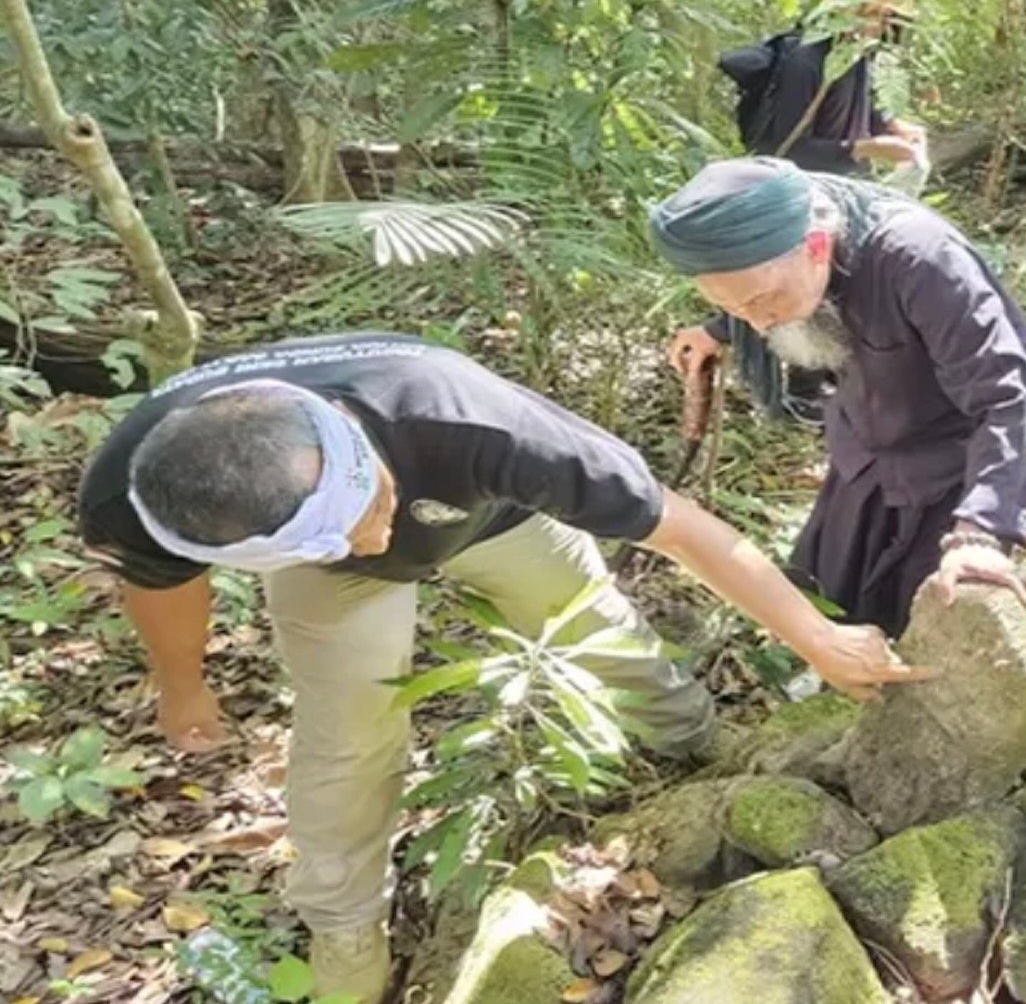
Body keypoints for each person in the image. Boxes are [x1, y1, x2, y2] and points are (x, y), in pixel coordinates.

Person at [76, 334, 926, 1001]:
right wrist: (182, 683)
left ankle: (694, 738)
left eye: (368, 507)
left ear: (360, 445)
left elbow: (681, 527)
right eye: (333, 536)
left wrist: (814, 635)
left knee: (596, 627)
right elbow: (163, 581)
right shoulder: (148, 486)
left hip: (490, 516)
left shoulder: (467, 417)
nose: (374, 538)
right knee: (349, 735)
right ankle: (345, 928)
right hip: (329, 581)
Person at [650, 157, 1026, 637]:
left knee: (924, 625)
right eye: (731, 307)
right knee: (825, 601)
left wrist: (982, 531)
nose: (757, 323)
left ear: (816, 246)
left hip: (948, 473)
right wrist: (719, 327)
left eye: (758, 303)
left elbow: (1006, 397)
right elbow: (752, 289)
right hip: (863, 454)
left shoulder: (920, 259)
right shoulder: (786, 255)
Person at [682, 0, 929, 426]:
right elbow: (784, 152)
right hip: (802, 202)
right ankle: (802, 396)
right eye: (879, 13)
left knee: (843, 291)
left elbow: (863, 106)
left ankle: (842, 387)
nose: (884, 25)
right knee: (796, 298)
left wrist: (892, 127)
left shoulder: (853, 53)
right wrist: (865, 147)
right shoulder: (805, 60)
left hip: (846, 195)